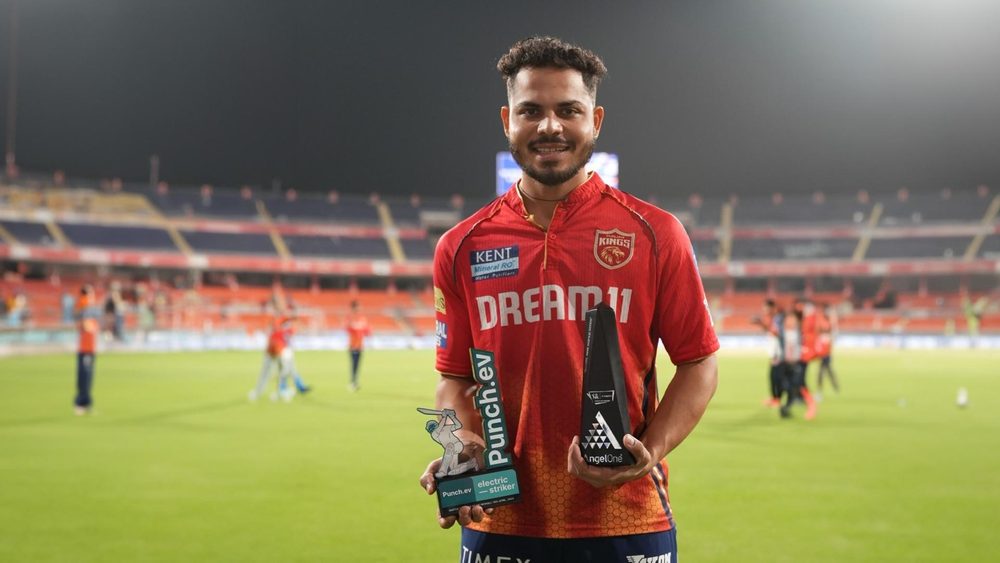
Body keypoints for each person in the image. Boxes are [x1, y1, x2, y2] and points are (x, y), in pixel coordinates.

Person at [419, 36, 719, 562]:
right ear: (507, 121)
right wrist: (461, 445)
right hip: (499, 518)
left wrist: (651, 451)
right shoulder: (461, 246)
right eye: (531, 110)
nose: (549, 126)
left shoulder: (655, 234)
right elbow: (455, 378)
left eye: (568, 110)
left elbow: (699, 362)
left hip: (626, 519)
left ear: (595, 120)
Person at [249, 315, 299, 402]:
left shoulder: (282, 332)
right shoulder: (278, 332)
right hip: (273, 353)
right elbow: (273, 345)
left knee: (281, 374)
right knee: (269, 373)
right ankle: (259, 392)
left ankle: (280, 392)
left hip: (279, 353)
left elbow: (282, 344)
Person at [752, 298, 784, 408]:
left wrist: (762, 323)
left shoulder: (779, 319)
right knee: (773, 376)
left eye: (766, 308)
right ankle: (775, 398)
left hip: (778, 352)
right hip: (774, 352)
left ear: (772, 308)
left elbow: (778, 333)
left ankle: (778, 399)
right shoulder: (774, 319)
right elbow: (770, 330)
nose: (764, 310)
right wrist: (761, 324)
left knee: (776, 376)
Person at [74, 284, 100, 415]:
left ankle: (86, 402)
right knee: (85, 376)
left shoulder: (86, 306)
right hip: (86, 348)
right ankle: (81, 403)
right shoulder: (84, 305)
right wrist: (92, 328)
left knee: (87, 377)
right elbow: (85, 325)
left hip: (89, 348)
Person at [344, 300, 371, 392]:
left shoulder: (362, 318)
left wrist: (364, 330)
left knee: (357, 365)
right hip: (352, 345)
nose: (359, 309)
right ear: (353, 308)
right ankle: (353, 382)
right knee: (353, 364)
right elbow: (348, 328)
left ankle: (355, 382)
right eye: (358, 307)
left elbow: (367, 330)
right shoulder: (350, 318)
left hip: (360, 345)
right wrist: (358, 328)